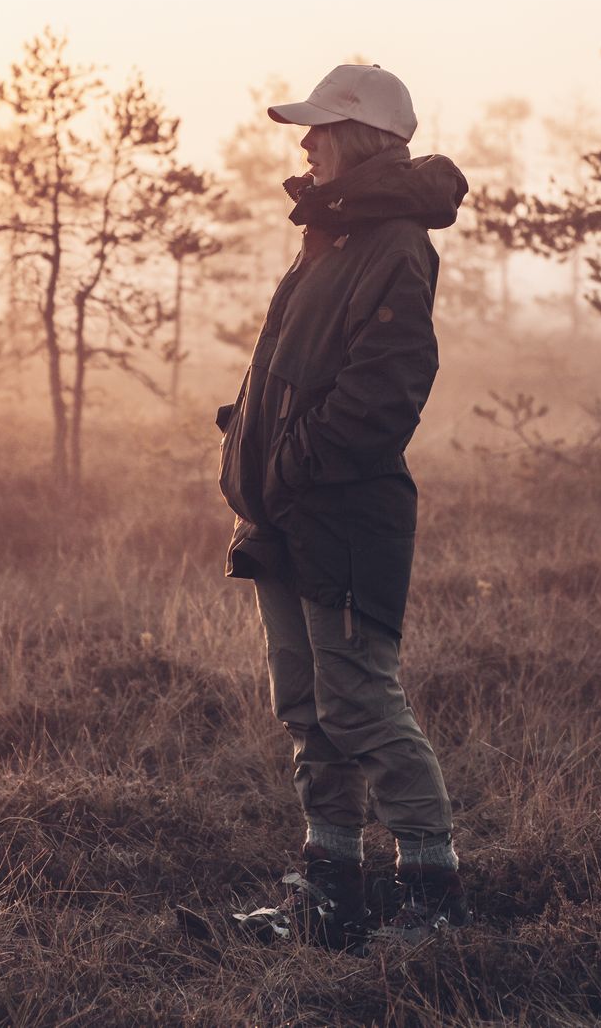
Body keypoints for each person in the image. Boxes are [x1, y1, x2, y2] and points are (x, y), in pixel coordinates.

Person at [214, 63, 469, 949]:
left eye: (320, 128)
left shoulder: (394, 243)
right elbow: (298, 368)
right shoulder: (329, 236)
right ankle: (329, 900)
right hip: (287, 515)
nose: (305, 141)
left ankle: (432, 901)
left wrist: (287, 463)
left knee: (359, 702)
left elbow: (387, 389)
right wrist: (248, 440)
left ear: (358, 138)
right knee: (308, 707)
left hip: (343, 516)